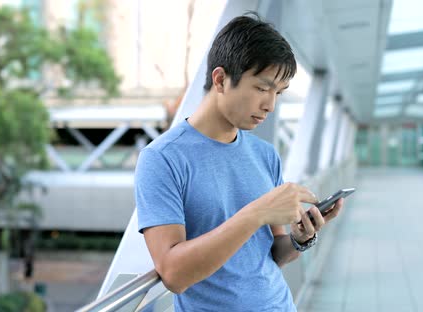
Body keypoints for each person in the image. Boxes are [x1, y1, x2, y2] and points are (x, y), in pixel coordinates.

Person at [135, 13, 344, 311]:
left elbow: (275, 254)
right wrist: (257, 213)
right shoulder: (163, 159)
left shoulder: (265, 154)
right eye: (262, 88)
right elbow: (173, 274)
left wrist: (301, 238)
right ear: (220, 79)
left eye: (278, 93)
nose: (270, 105)